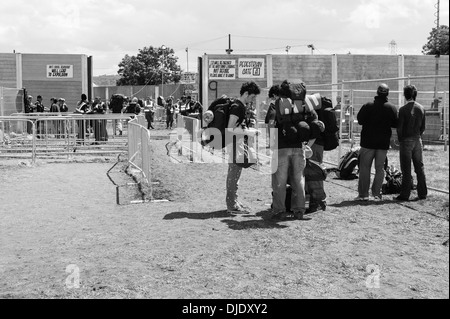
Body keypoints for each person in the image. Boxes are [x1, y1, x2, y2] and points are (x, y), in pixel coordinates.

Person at [270, 80, 314, 221]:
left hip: (281, 147)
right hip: (298, 146)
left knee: (280, 181)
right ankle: (299, 210)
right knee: (299, 179)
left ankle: (279, 210)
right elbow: (314, 119)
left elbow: (271, 126)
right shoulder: (303, 103)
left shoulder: (277, 104)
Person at [355, 83, 398, 201]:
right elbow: (395, 123)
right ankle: (377, 194)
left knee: (365, 168)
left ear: (377, 92)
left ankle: (363, 195)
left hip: (367, 143)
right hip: (383, 144)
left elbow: (360, 120)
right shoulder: (391, 108)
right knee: (380, 169)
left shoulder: (368, 106)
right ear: (387, 94)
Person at [226, 81, 261, 214]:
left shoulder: (238, 105)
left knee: (235, 174)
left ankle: (233, 201)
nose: (252, 100)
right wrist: (248, 132)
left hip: (236, 142)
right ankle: (232, 205)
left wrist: (248, 130)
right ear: (246, 93)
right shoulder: (238, 107)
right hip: (235, 143)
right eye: (252, 97)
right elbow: (230, 128)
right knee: (234, 174)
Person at [395, 85, 427, 201]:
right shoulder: (421, 108)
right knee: (419, 167)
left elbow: (399, 128)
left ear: (405, 95)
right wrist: (418, 135)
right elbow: (423, 127)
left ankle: (405, 194)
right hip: (417, 139)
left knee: (406, 169)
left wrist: (400, 139)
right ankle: (422, 193)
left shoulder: (403, 110)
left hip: (406, 140)